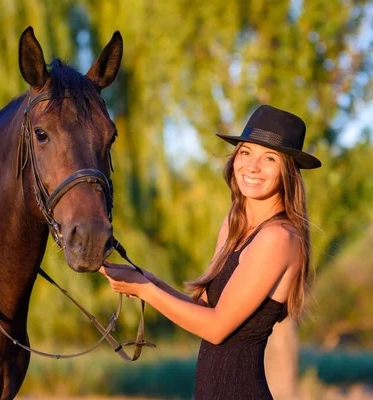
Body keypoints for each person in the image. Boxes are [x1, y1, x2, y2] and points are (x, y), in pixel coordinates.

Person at [100, 105, 321, 399]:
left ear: (288, 170)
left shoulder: (278, 237)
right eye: (245, 153)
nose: (252, 167)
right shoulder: (235, 223)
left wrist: (144, 291)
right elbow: (204, 311)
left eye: (269, 158)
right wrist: (148, 280)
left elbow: (216, 328)